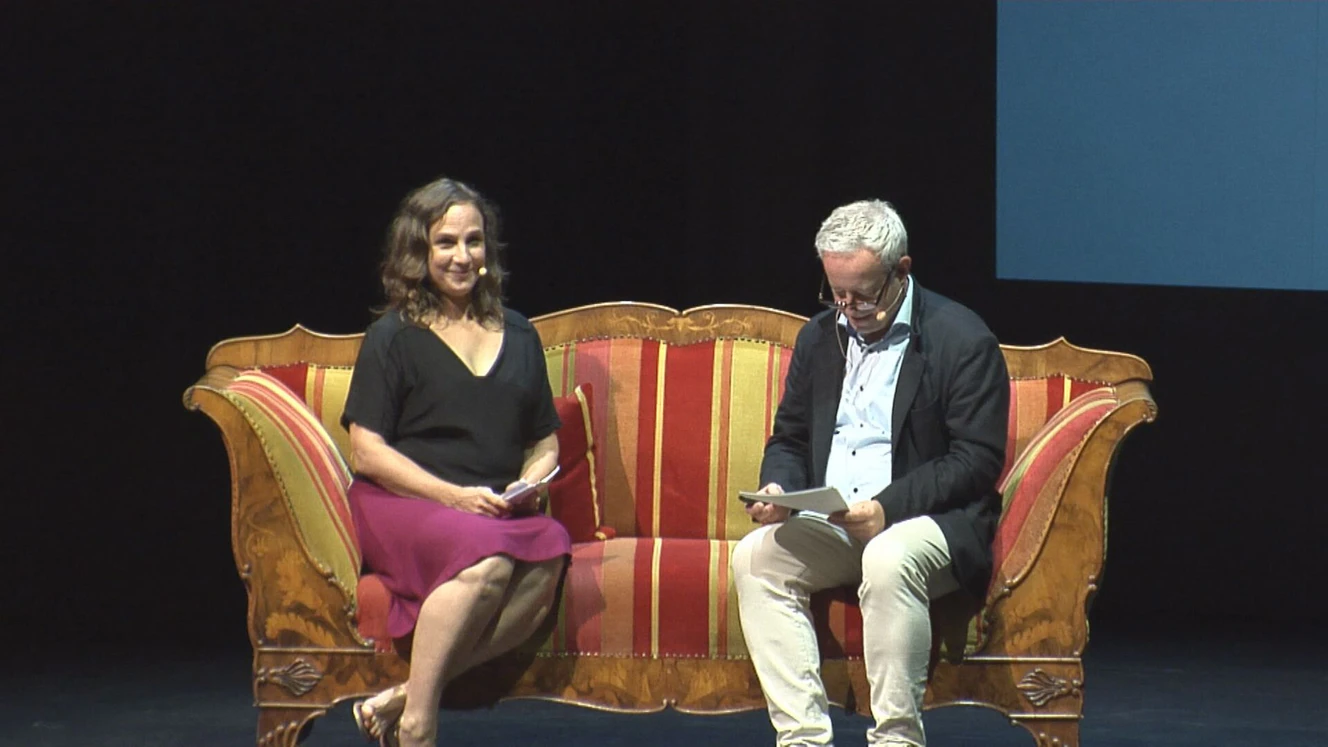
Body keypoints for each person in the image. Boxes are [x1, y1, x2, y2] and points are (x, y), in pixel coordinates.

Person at [731, 200, 1009, 746]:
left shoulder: (961, 339)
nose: (849, 308)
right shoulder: (820, 337)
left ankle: (897, 738)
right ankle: (803, 738)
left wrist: (887, 509)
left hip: (928, 522)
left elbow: (976, 459)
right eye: (836, 293)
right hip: (838, 521)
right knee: (756, 557)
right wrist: (779, 488)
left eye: (863, 294)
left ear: (902, 270)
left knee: (886, 556)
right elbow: (789, 437)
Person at [344, 177, 570, 747]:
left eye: (473, 241)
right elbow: (365, 449)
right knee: (488, 559)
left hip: (489, 506)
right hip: (405, 502)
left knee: (549, 548)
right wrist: (453, 497)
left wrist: (530, 481)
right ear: (418, 252)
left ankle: (404, 696)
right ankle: (419, 724)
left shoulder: (519, 334)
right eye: (445, 243)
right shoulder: (392, 336)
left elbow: (544, 442)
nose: (462, 256)